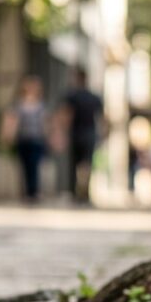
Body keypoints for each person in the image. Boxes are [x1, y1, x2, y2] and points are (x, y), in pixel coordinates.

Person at [56, 69, 102, 204]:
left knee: (74, 164)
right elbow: (101, 118)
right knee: (87, 163)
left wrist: (62, 132)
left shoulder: (72, 96)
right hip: (90, 133)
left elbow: (66, 115)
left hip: (76, 133)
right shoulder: (94, 97)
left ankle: (75, 191)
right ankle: (85, 190)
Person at [1, 76, 47, 202]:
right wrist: (8, 135)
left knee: (34, 165)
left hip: (36, 140)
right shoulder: (18, 104)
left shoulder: (40, 105)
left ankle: (34, 191)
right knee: (24, 166)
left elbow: (44, 123)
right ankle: (26, 191)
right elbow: (12, 120)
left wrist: (49, 136)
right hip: (23, 140)